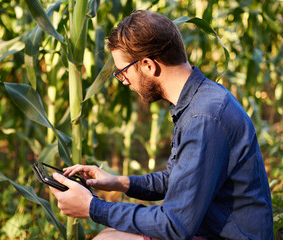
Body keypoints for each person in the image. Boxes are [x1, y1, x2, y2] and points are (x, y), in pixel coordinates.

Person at [49, 10, 274, 240]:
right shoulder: (200, 100)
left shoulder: (203, 118)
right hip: (212, 229)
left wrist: (92, 207)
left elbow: (175, 226)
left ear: (148, 65)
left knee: (108, 239)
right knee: (110, 234)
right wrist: (119, 182)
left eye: (122, 71)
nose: (123, 80)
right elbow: (181, 177)